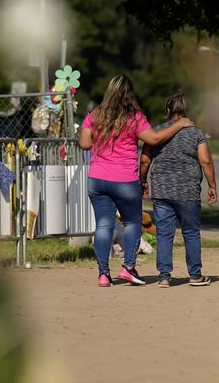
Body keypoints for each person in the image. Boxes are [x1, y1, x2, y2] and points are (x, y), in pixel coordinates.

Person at [79, 75, 193, 287]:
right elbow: (155, 139)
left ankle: (103, 275)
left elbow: (85, 144)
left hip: (97, 179)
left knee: (103, 225)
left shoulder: (94, 115)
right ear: (129, 94)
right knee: (132, 222)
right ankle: (128, 267)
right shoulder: (135, 117)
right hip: (125, 180)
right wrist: (180, 124)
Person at [140, 90, 217, 288]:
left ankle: (164, 276)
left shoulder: (156, 132)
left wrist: (143, 180)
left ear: (167, 111)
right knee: (191, 232)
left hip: (162, 190)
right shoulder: (196, 133)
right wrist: (212, 185)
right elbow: (205, 161)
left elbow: (146, 158)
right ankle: (195, 275)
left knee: (164, 233)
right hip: (188, 191)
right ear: (185, 111)